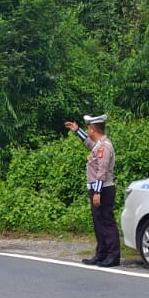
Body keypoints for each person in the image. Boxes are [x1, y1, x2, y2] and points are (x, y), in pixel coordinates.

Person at [64, 114, 120, 266]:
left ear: (93, 129)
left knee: (106, 223)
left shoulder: (104, 147)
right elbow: (89, 144)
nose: (88, 130)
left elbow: (101, 171)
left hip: (103, 190)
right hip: (98, 189)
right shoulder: (98, 145)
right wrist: (77, 131)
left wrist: (97, 192)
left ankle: (113, 255)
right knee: (98, 223)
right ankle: (101, 253)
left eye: (88, 128)